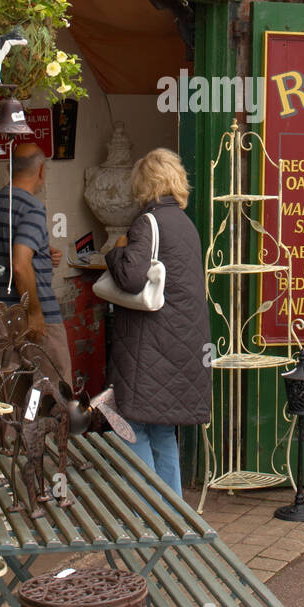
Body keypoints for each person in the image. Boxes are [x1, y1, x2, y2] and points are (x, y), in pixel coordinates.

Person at [104, 148, 211, 496]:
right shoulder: (185, 224)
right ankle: (173, 513)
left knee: (131, 426)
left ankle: (146, 515)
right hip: (180, 348)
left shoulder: (146, 223)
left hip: (148, 349)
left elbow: (131, 278)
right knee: (163, 431)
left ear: (144, 184)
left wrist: (117, 249)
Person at [0, 142, 71, 384]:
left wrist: (41, 253)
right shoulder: (32, 208)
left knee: (7, 405)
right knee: (55, 400)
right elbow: (19, 264)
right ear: (41, 171)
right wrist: (35, 312)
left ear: (10, 170)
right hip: (34, 323)